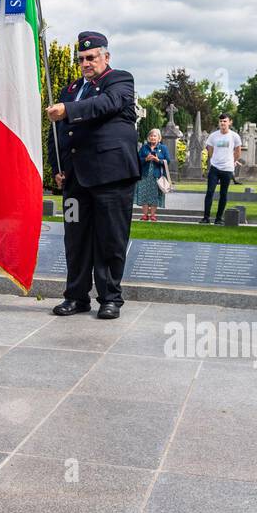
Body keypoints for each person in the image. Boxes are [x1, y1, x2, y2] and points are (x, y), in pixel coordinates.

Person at [46, 31, 140, 319]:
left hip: (111, 178)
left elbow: (105, 105)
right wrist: (57, 166)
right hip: (75, 181)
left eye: (91, 57)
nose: (86, 63)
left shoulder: (120, 80)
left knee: (110, 241)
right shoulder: (71, 90)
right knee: (75, 241)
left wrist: (68, 110)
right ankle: (76, 297)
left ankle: (110, 298)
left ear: (106, 57)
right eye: (82, 59)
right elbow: (57, 132)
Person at [201, 114, 242, 225]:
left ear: (230, 122)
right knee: (210, 192)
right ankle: (206, 217)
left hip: (227, 169)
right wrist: (214, 159)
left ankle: (218, 218)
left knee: (223, 194)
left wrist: (232, 161)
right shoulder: (213, 136)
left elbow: (238, 151)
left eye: (225, 121)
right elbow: (209, 149)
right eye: (221, 121)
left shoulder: (234, 136)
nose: (222, 123)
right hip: (215, 167)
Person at [134, 128, 171, 222]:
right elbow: (137, 160)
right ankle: (145, 215)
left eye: (155, 136)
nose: (153, 137)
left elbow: (168, 160)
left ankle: (153, 215)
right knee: (144, 194)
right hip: (145, 175)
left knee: (155, 195)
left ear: (159, 138)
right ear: (148, 138)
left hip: (157, 176)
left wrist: (158, 160)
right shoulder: (144, 148)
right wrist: (146, 159)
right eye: (151, 136)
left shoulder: (163, 148)